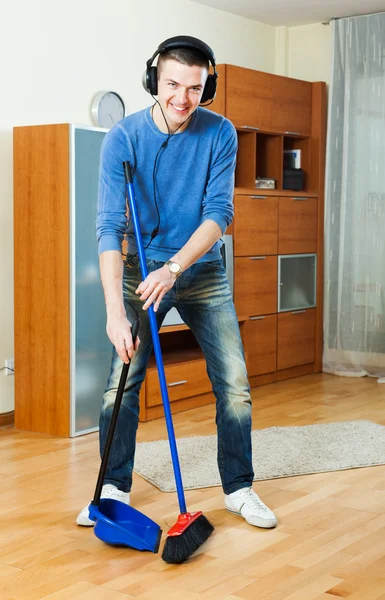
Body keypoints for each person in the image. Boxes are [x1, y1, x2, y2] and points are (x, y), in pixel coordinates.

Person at [77, 35, 277, 530]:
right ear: (153, 80)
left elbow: (218, 215)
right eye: (172, 84)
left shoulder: (220, 133)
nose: (182, 98)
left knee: (233, 384)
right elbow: (109, 227)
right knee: (119, 388)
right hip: (139, 275)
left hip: (199, 269)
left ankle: (239, 488)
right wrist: (115, 312)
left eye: (194, 86)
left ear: (206, 86)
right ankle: (112, 488)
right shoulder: (122, 138)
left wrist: (174, 268)